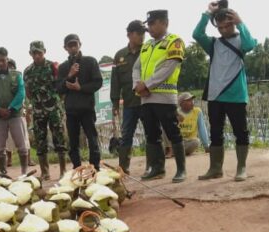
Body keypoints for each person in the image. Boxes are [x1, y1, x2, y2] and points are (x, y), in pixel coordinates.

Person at [193, 3, 257, 181]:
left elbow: (250, 44)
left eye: (227, 26)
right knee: (215, 133)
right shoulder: (214, 44)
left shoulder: (240, 41)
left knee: (240, 132)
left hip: (236, 95)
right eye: (219, 27)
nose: (223, 30)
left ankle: (241, 168)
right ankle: (215, 168)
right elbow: (197, 34)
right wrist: (208, 13)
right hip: (215, 96)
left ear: (233, 23)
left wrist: (241, 22)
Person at [133, 10, 186, 182]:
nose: (149, 28)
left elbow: (169, 68)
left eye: (152, 23)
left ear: (164, 23)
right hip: (146, 98)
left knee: (173, 132)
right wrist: (137, 86)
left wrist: (147, 84)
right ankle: (157, 169)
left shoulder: (174, 41)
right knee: (151, 134)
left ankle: (181, 170)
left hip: (164, 96)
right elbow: (136, 68)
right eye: (148, 24)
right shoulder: (147, 45)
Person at [56, 34, 104, 170]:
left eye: (74, 44)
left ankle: (95, 167)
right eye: (69, 45)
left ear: (80, 44)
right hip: (71, 110)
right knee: (73, 142)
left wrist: (80, 88)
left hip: (87, 108)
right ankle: (77, 168)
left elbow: (98, 82)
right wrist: (69, 76)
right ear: (65, 48)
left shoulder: (90, 62)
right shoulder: (63, 67)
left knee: (92, 139)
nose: (72, 47)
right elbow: (58, 88)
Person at [24, 40, 68, 179]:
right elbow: (28, 92)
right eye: (34, 53)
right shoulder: (28, 71)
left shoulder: (53, 67)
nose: (37, 55)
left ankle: (63, 171)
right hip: (38, 110)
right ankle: (45, 172)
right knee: (40, 140)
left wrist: (56, 102)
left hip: (54, 108)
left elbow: (61, 88)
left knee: (59, 139)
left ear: (44, 52)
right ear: (30, 53)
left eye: (39, 52)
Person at [0, 47, 31, 175]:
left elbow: (21, 93)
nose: (0, 63)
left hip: (15, 115)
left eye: (2, 60)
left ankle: (24, 173)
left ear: (7, 59)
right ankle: (4, 174)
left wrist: (10, 108)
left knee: (22, 146)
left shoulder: (17, 75)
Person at [111, 20, 147, 172]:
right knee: (126, 135)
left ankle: (153, 167)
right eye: (138, 33)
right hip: (129, 103)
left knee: (152, 133)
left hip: (147, 101)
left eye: (143, 33)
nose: (142, 36)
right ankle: (123, 168)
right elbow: (115, 82)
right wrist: (114, 104)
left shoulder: (148, 51)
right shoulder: (119, 55)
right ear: (129, 35)